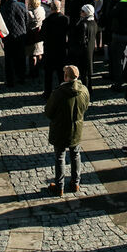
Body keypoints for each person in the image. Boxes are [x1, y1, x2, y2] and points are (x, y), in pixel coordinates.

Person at [45, 64, 90, 195]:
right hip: (76, 128)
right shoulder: (84, 91)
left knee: (59, 156)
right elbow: (86, 106)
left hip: (60, 129)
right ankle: (75, 183)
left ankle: (60, 186)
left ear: (66, 77)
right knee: (75, 154)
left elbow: (49, 112)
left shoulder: (58, 93)